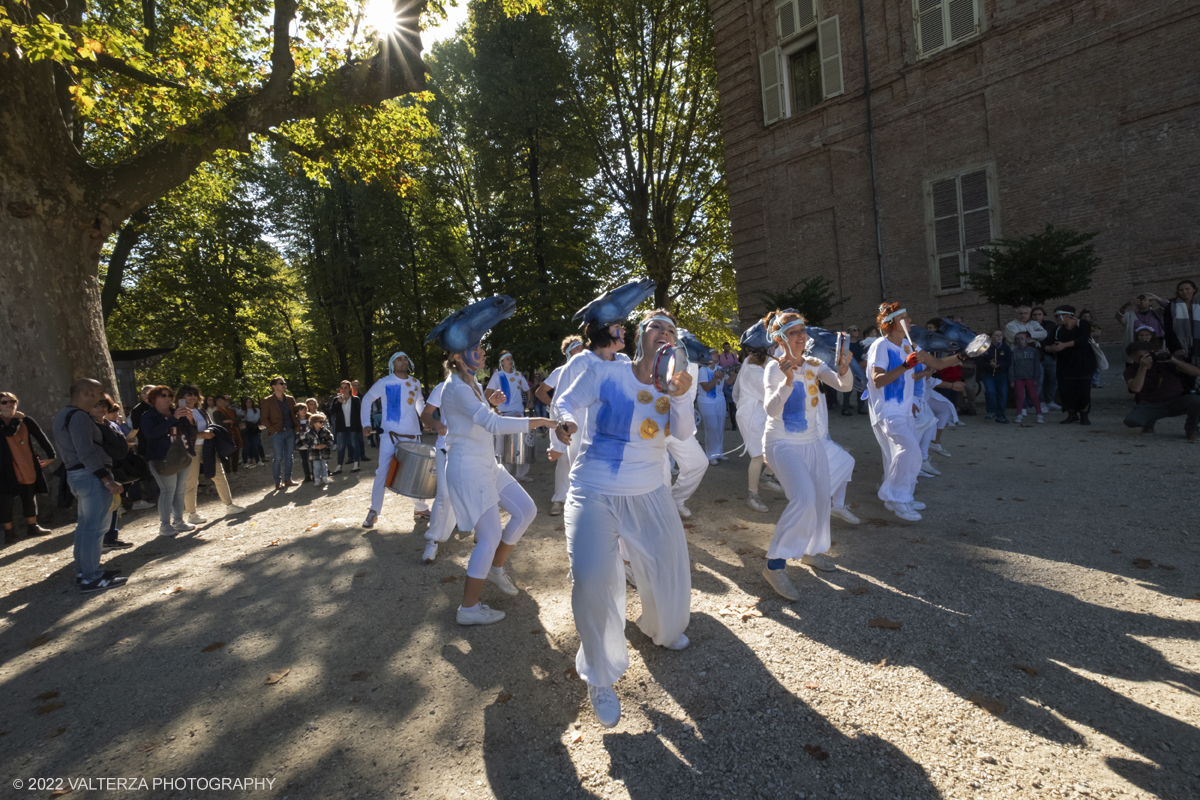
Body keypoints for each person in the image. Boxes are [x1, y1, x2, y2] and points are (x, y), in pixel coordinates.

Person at [555, 308, 695, 729]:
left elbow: (683, 434)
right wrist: (563, 422)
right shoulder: (606, 370)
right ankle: (600, 675)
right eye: (656, 326)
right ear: (639, 336)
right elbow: (566, 400)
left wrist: (683, 395)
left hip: (650, 492)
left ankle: (661, 629)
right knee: (593, 580)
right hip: (593, 489)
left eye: (671, 329)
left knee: (669, 568)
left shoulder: (675, 385)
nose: (664, 333)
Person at [425, 298, 555, 626]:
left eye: (481, 346)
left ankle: (496, 568)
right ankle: (468, 609)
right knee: (490, 536)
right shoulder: (455, 387)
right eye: (475, 348)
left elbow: (482, 421)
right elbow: (493, 426)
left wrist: (492, 404)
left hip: (487, 464)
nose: (481, 352)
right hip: (468, 470)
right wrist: (536, 422)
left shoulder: (473, 384)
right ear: (457, 357)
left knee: (526, 511)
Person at [757, 310, 852, 599]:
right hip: (781, 443)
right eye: (795, 331)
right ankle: (774, 565)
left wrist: (844, 368)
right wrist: (787, 382)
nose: (802, 336)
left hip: (811, 443)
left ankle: (811, 551)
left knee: (822, 498)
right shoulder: (775, 367)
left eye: (803, 330)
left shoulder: (813, 364)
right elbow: (771, 411)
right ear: (780, 338)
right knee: (804, 498)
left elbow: (843, 386)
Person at [866, 304, 956, 522]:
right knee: (910, 449)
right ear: (891, 323)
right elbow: (878, 380)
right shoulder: (880, 345)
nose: (910, 319)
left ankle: (902, 498)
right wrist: (906, 366)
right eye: (904, 317)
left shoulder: (908, 345)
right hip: (887, 410)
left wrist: (965, 354)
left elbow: (937, 363)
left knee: (896, 456)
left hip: (904, 410)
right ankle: (895, 496)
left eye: (908, 316)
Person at [53, 379, 128, 593]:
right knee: (95, 529)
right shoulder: (79, 417)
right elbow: (86, 451)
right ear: (86, 393)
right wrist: (107, 479)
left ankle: (86, 571)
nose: (103, 396)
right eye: (99, 392)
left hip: (78, 475)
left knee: (86, 527)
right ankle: (91, 577)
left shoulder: (65, 415)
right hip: (90, 476)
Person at [361, 352, 430, 527]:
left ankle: (420, 507)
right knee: (382, 472)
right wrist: (365, 423)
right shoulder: (385, 382)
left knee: (418, 471)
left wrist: (425, 419)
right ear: (392, 363)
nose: (403, 361)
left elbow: (419, 402)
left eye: (406, 358)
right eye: (399, 359)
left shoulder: (415, 382)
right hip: (390, 436)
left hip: (413, 435)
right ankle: (374, 511)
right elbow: (367, 399)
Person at [536, 336, 585, 516]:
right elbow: (540, 391)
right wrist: (555, 406)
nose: (582, 349)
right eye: (577, 347)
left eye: (582, 346)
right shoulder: (561, 371)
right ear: (569, 351)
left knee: (583, 459)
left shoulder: (589, 369)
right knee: (564, 459)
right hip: (564, 420)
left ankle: (580, 501)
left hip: (583, 420)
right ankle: (559, 499)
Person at [178, 386, 243, 522]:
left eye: (195, 394)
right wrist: (192, 423)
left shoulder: (201, 411)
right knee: (191, 482)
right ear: (181, 396)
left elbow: (210, 426)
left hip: (207, 446)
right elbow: (182, 432)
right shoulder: (179, 412)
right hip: (191, 449)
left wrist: (210, 434)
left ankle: (229, 505)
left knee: (219, 475)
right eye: (189, 394)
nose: (193, 396)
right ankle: (191, 514)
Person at [140, 386, 195, 537]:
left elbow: (191, 434)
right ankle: (164, 525)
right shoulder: (148, 415)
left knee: (180, 490)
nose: (167, 398)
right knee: (167, 491)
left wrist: (190, 421)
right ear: (153, 399)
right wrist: (173, 419)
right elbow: (151, 434)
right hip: (162, 458)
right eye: (162, 396)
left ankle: (178, 521)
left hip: (182, 457)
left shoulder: (178, 412)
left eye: (169, 395)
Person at [1, 391, 55, 540]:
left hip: (26, 463)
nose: (9, 405)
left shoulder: (26, 420)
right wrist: (16, 419)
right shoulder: (14, 420)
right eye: (4, 402)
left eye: (12, 401)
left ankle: (33, 526)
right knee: (6, 500)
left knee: (29, 495)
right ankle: (9, 532)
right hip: (5, 468)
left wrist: (51, 456)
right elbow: (8, 431)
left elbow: (40, 436)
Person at [1122, 343, 1200, 441]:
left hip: (1176, 402)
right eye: (1141, 357)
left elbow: (1197, 372)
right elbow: (1136, 389)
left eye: (1148, 355)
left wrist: (1173, 359)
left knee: (1197, 400)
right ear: (1132, 357)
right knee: (1131, 421)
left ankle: (1192, 429)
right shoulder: (1131, 370)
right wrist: (1143, 367)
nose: (1146, 358)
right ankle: (1149, 423)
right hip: (1150, 404)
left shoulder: (1164, 362)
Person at [732, 323, 770, 513]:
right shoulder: (757, 371)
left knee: (772, 448)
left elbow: (736, 391)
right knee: (757, 455)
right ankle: (752, 495)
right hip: (752, 415)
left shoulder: (748, 361)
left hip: (752, 412)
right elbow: (771, 397)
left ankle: (766, 476)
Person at [418, 379, 455, 562]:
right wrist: (436, 423)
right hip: (445, 448)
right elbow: (425, 415)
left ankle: (478, 529)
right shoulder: (442, 387)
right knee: (445, 494)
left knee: (472, 490)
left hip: (470, 449)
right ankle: (433, 540)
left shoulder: (476, 387)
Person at [486, 350, 533, 482]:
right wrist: (493, 407)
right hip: (503, 415)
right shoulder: (497, 376)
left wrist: (530, 401)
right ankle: (503, 475)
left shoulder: (518, 375)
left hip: (518, 413)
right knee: (502, 447)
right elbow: (487, 394)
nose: (510, 361)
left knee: (521, 445)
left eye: (511, 358)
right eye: (507, 359)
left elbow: (528, 390)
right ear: (501, 362)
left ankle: (520, 474)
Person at [1045, 306, 1096, 424]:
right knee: (1066, 389)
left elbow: (1083, 340)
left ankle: (1084, 415)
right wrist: (1051, 348)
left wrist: (1064, 345)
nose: (1057, 319)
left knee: (1083, 389)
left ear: (1067, 315)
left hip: (1083, 362)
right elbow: (1047, 344)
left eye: (1058, 316)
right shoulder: (1057, 329)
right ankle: (1072, 414)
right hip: (1065, 363)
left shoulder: (1082, 324)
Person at [261, 377, 300, 490]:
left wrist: (297, 426)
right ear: (274, 386)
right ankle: (278, 481)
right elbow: (264, 418)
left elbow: (295, 413)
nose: (284, 385)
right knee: (278, 457)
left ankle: (288, 479)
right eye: (281, 383)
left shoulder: (290, 399)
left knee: (289, 456)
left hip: (290, 431)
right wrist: (272, 430)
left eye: (285, 383)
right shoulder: (267, 401)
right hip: (277, 433)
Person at [696, 350, 733, 465]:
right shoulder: (703, 370)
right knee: (711, 427)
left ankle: (719, 452)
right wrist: (716, 378)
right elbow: (706, 388)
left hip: (720, 400)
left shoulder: (720, 368)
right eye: (714, 353)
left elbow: (729, 381)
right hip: (706, 401)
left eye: (717, 353)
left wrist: (735, 373)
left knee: (720, 427)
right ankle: (710, 455)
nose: (717, 354)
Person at [975, 330, 1012, 423]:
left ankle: (1000, 415)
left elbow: (1009, 362)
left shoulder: (1006, 348)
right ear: (990, 337)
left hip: (1002, 374)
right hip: (988, 375)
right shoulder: (984, 347)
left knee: (1002, 395)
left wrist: (999, 365)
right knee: (990, 393)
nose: (999, 337)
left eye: (1001, 335)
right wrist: (989, 365)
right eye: (996, 335)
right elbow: (979, 362)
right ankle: (990, 411)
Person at [1164, 279, 1200, 372]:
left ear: (1194, 290)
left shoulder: (1198, 304)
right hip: (1180, 345)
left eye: (1187, 289)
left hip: (1197, 343)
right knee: (1183, 372)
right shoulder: (1171, 306)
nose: (1184, 292)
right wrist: (1177, 346)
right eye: (1181, 290)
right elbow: (1168, 328)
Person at [327, 380, 362, 474]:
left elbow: (359, 413)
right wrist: (339, 402)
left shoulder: (355, 399)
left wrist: (360, 426)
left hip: (353, 426)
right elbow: (332, 412)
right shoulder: (336, 399)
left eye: (346, 387)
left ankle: (356, 464)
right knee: (341, 446)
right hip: (341, 427)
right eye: (342, 388)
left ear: (350, 388)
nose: (344, 390)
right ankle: (339, 466)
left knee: (355, 444)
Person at [1009, 332, 1044, 424]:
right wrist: (1012, 379)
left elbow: (1037, 366)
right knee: (1019, 396)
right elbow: (1011, 366)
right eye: (1017, 339)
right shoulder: (1014, 352)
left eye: (1022, 338)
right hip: (1018, 377)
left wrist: (1036, 378)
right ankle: (1019, 414)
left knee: (1034, 396)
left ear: (1027, 340)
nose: (1020, 341)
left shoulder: (1033, 351)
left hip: (1030, 377)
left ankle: (1039, 415)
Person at [1030, 307, 1060, 411]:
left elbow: (1054, 337)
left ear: (1043, 315)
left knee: (1054, 379)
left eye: (1039, 314)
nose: (1037, 316)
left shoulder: (1050, 325)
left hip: (1050, 356)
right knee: (1039, 381)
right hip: (1037, 357)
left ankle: (1049, 401)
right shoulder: (1029, 326)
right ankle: (1041, 402)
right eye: (1035, 314)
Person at [302, 413, 335, 485]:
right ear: (314, 423)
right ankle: (316, 479)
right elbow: (306, 442)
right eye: (320, 422)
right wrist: (314, 446)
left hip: (324, 452)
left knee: (324, 466)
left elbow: (331, 439)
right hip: (314, 454)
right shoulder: (309, 433)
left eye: (323, 421)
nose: (322, 423)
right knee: (316, 466)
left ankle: (325, 478)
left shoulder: (326, 431)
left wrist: (325, 445)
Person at [212, 396, 242, 474]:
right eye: (218, 401)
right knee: (227, 452)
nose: (220, 402)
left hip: (235, 433)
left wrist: (230, 421)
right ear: (216, 403)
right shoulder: (216, 413)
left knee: (236, 451)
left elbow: (238, 419)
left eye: (221, 400)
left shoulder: (231, 410)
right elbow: (220, 424)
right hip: (225, 434)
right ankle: (227, 470)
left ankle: (235, 469)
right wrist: (231, 423)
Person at [841, 325, 866, 415]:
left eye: (857, 330)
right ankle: (845, 408)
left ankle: (861, 407)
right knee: (848, 389)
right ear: (850, 332)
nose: (856, 332)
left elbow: (863, 356)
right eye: (854, 330)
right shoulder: (846, 344)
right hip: (849, 368)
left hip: (859, 368)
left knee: (861, 388)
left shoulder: (860, 344)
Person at [238, 398, 265, 467]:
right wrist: (245, 420)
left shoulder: (256, 410)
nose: (249, 403)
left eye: (250, 402)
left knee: (255, 446)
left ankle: (257, 460)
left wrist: (246, 419)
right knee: (246, 446)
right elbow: (238, 419)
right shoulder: (240, 411)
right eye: (247, 402)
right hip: (245, 430)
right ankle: (245, 462)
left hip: (254, 429)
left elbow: (255, 419)